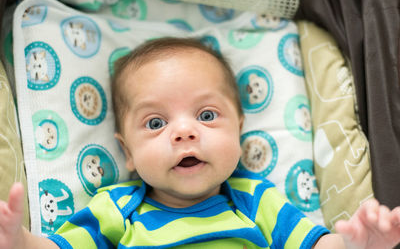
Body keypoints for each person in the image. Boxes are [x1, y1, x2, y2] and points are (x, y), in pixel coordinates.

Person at [1, 37, 400, 249]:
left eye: (207, 116)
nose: (184, 132)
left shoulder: (255, 200)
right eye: (156, 123)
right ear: (128, 154)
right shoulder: (117, 208)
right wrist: (19, 241)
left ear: (239, 132)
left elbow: (315, 246)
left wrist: (355, 243)